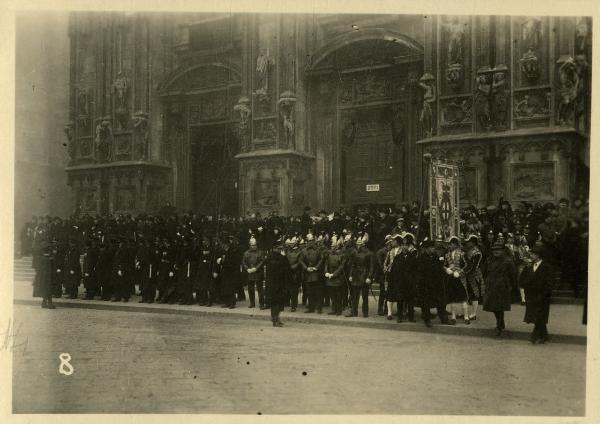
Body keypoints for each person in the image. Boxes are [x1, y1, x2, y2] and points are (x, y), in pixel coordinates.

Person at [521, 244, 554, 344]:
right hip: (531, 295)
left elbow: (549, 283)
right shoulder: (530, 266)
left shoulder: (546, 267)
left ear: (539, 255)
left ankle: (534, 336)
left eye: (533, 254)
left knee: (539, 316)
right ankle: (544, 336)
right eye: (531, 253)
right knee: (537, 316)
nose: (531, 255)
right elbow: (523, 279)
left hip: (542, 296)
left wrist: (545, 294)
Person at [483, 241, 517, 337]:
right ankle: (500, 322)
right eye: (494, 250)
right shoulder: (489, 259)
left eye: (498, 250)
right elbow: (484, 271)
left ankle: (499, 325)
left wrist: (511, 286)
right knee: (492, 306)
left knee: (500, 306)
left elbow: (513, 274)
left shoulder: (508, 260)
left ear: (503, 250)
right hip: (491, 285)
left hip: (502, 285)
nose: (496, 252)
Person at [416, 238, 449, 327]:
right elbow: (421, 271)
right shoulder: (422, 257)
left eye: (433, 247)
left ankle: (443, 318)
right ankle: (427, 320)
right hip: (426, 284)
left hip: (436, 283)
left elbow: (439, 267)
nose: (433, 249)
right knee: (426, 303)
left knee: (440, 302)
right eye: (431, 247)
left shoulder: (435, 256)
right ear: (426, 249)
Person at [265, 237, 291, 327]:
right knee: (276, 303)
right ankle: (275, 319)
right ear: (275, 248)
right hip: (277, 284)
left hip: (275, 284)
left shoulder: (272, 257)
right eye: (279, 249)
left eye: (280, 249)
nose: (280, 250)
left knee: (276, 302)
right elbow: (285, 270)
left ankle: (276, 318)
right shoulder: (277, 258)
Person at [346, 235, 374, 317]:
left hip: (364, 275)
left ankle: (365, 312)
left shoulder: (369, 253)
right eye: (357, 244)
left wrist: (369, 277)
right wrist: (350, 275)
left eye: (360, 244)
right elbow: (353, 264)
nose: (358, 245)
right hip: (355, 275)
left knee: (365, 296)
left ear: (364, 244)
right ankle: (354, 312)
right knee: (355, 295)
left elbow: (371, 267)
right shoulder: (354, 253)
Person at [300, 233, 324, 313]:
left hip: (316, 273)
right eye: (308, 241)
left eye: (311, 241)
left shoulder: (318, 249)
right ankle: (311, 308)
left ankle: (319, 308)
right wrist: (306, 268)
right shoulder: (304, 250)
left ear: (314, 241)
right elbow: (301, 260)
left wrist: (316, 267)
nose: (310, 242)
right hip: (308, 273)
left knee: (318, 292)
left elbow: (321, 259)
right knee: (309, 292)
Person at [324, 236, 346, 316]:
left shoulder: (341, 255)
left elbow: (341, 267)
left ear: (337, 247)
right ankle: (334, 309)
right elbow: (326, 264)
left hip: (337, 278)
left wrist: (334, 274)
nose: (332, 248)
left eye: (333, 246)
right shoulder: (329, 255)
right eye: (331, 246)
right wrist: (326, 272)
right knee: (332, 295)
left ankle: (339, 310)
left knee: (338, 295)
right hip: (329, 277)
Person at [242, 237, 265, 309]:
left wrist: (256, 268)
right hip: (250, 273)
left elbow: (262, 261)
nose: (254, 246)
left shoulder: (260, 252)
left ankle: (261, 304)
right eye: (252, 245)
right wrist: (247, 269)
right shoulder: (246, 253)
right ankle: (252, 303)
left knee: (260, 289)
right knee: (250, 289)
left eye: (255, 245)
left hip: (258, 272)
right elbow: (244, 262)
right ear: (249, 245)